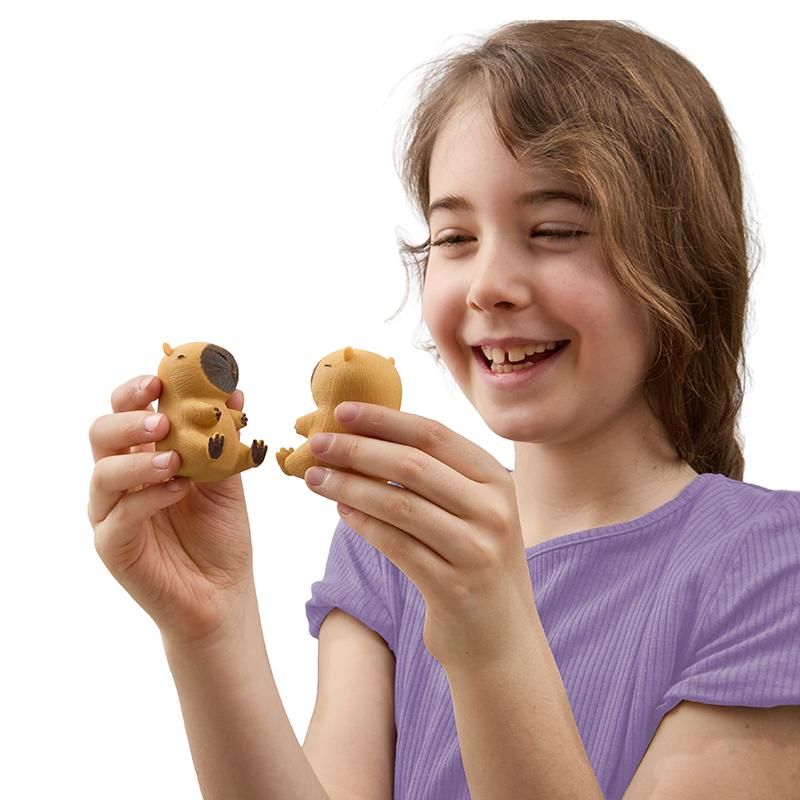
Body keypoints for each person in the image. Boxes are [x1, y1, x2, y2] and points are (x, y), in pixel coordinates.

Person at [88, 20, 800, 800]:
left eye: (554, 230)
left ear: (682, 261)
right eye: (454, 236)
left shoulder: (772, 568)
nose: (487, 283)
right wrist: (208, 625)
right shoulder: (386, 548)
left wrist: (490, 638)